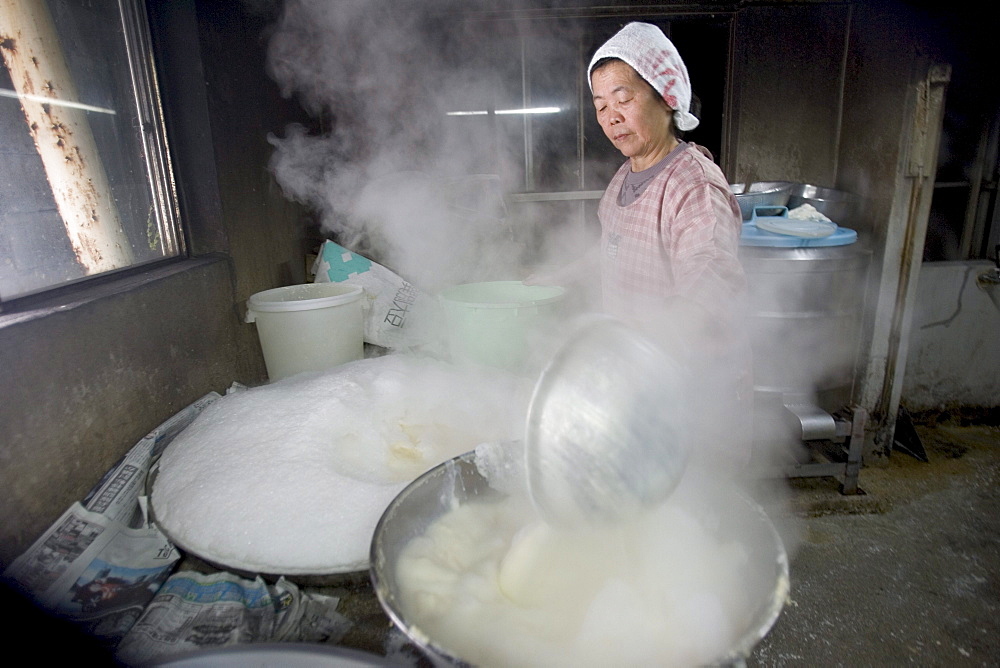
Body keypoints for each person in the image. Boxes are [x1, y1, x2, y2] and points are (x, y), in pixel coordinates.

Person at [530, 22, 753, 467]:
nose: (610, 116)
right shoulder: (622, 180)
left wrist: (624, 342)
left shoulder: (693, 183)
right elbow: (608, 252)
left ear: (666, 96)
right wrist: (543, 283)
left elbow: (710, 280)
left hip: (684, 391)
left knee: (683, 511)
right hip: (632, 383)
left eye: (624, 98)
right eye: (600, 105)